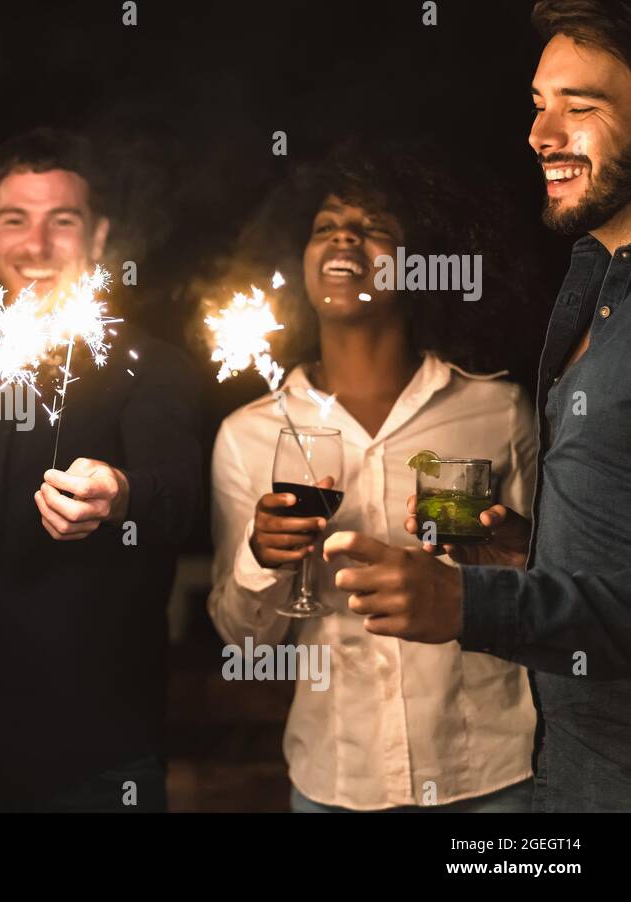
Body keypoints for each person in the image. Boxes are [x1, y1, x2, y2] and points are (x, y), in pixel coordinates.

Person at [322, 0, 631, 812]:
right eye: (539, 104)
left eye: (582, 105)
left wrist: (470, 602)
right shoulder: (590, 294)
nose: (541, 134)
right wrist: (531, 564)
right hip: (568, 768)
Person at [0, 128, 203, 811]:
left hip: (102, 760)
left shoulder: (151, 366)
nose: (37, 245)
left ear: (99, 236)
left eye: (63, 221)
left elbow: (185, 500)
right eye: (16, 220)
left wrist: (121, 495)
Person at [207, 143, 540, 812]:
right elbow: (244, 639)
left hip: (493, 775)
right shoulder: (248, 434)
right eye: (326, 225)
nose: (345, 237)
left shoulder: (497, 409)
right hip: (337, 780)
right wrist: (259, 558)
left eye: (375, 227)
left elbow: (550, 592)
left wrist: (499, 559)